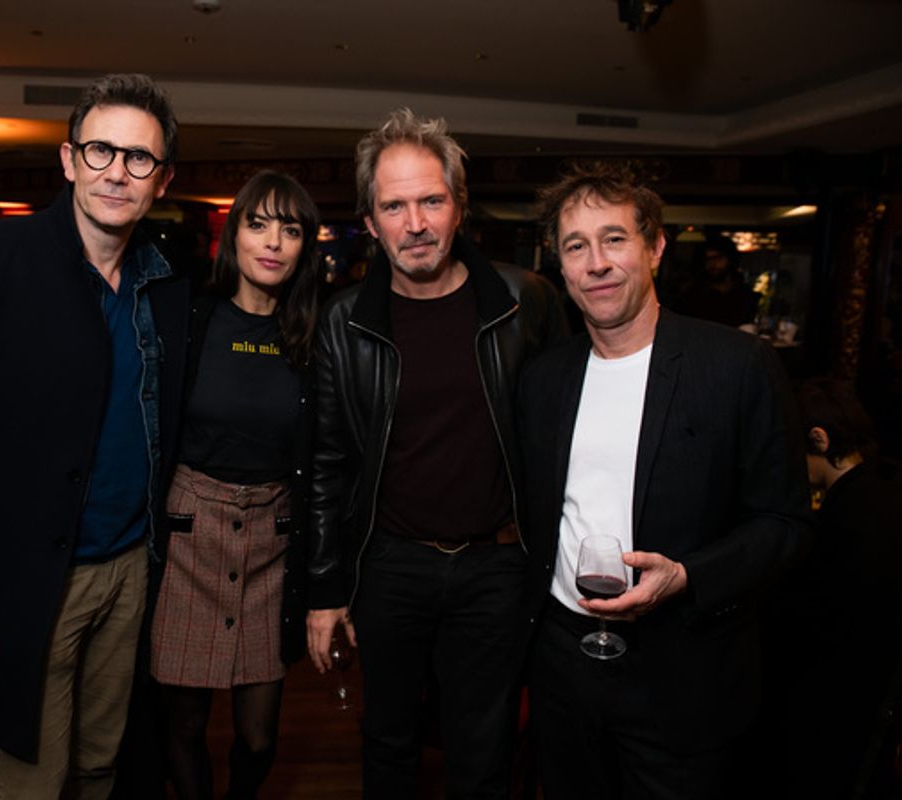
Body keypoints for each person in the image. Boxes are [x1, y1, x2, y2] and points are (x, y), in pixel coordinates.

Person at [0, 74, 189, 798]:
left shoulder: (167, 279)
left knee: (99, 765)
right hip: (29, 577)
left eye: (139, 158)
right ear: (67, 159)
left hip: (130, 571)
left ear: (163, 179)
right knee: (31, 777)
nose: (117, 171)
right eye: (100, 150)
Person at [518, 161, 813, 799]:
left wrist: (688, 577)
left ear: (654, 246)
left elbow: (785, 524)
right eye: (576, 246)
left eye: (614, 239)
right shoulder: (543, 379)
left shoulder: (736, 366)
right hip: (563, 666)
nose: (596, 262)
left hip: (683, 671)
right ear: (560, 265)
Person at [305, 108, 567, 798]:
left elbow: (564, 435)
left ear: (459, 208)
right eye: (394, 205)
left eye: (431, 200)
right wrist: (327, 592)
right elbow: (329, 464)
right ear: (370, 219)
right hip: (390, 565)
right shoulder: (344, 321)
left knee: (481, 750)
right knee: (387, 739)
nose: (414, 222)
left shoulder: (524, 301)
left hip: (497, 566)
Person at [149, 170, 321, 800]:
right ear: (233, 235)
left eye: (291, 228)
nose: (273, 241)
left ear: (306, 245)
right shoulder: (190, 320)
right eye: (258, 223)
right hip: (189, 535)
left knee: (258, 738)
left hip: (273, 545)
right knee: (184, 724)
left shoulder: (314, 336)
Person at [759, 377, 901, 798]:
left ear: (819, 440)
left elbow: (822, 619)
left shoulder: (857, 516)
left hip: (845, 708)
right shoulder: (883, 480)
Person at [675, 234, 758, 328]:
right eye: (708, 259)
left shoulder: (745, 295)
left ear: (730, 259)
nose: (713, 264)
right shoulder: (692, 296)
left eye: (718, 258)